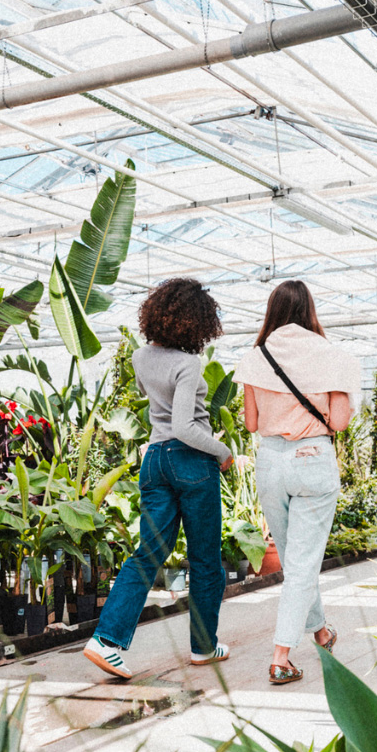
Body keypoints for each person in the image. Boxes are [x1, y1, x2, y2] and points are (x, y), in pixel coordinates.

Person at [84, 277, 233, 680]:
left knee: (148, 552)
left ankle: (106, 639)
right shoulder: (187, 364)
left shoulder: (139, 358)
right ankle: (203, 646)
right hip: (190, 460)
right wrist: (222, 452)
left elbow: (156, 408)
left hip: (154, 459)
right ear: (194, 322)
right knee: (205, 559)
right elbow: (185, 426)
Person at [234, 280, 359, 685]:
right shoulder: (331, 355)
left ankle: (321, 631)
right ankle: (281, 657)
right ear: (309, 310)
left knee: (295, 560)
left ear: (273, 310)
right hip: (312, 459)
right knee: (302, 563)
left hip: (270, 462)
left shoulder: (257, 357)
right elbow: (338, 422)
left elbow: (250, 423)